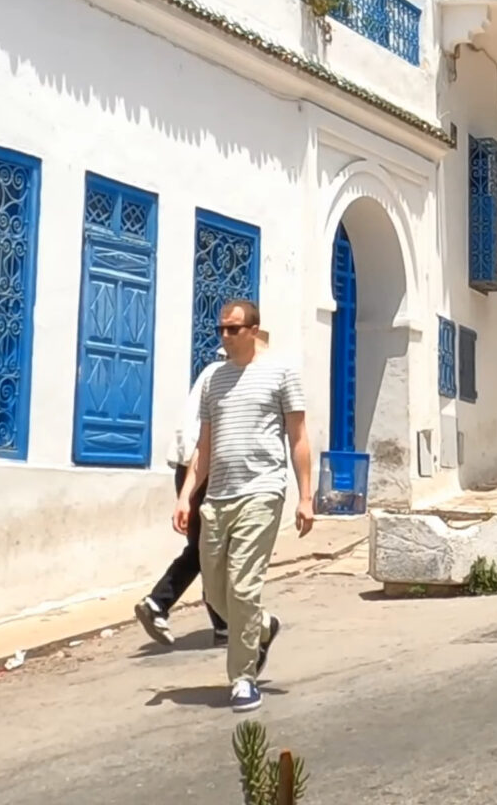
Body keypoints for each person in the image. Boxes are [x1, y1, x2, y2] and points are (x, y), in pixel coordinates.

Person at [173, 300, 313, 713]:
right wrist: (186, 495)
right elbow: (205, 445)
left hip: (263, 491)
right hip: (218, 496)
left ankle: (242, 678)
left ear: (253, 330)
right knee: (215, 593)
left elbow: (299, 438)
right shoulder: (214, 380)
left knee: (242, 585)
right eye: (221, 329)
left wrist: (305, 496)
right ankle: (263, 627)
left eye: (234, 329)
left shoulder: (281, 373)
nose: (225, 336)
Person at [132, 361, 227, 648]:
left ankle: (222, 625)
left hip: (188, 468)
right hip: (203, 469)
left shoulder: (209, 374)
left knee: (207, 548)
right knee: (210, 549)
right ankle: (159, 602)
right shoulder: (225, 377)